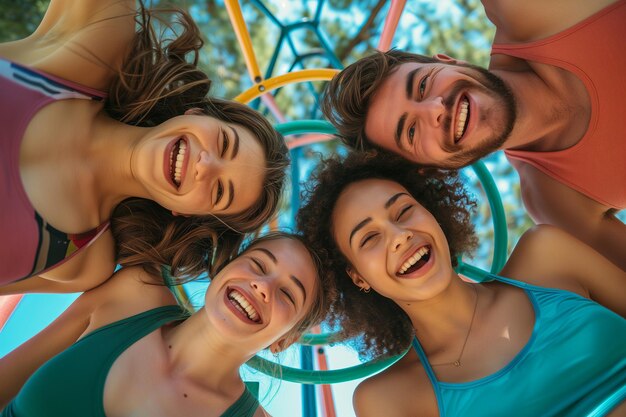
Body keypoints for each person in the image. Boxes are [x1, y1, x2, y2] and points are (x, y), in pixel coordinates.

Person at [297, 152, 626, 417]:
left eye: (404, 211)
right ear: (357, 277)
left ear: (432, 213)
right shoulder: (389, 400)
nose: (400, 237)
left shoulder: (548, 255)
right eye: (369, 237)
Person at [0, 0, 289, 290]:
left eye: (219, 191)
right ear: (198, 113)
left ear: (187, 212)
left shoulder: (83, 263)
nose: (206, 165)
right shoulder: (101, 42)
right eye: (225, 143)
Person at [320, 0, 626, 270]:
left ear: (448, 61)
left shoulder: (527, 10)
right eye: (411, 131)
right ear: (431, 168)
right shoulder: (556, 201)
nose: (434, 110)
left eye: (423, 85)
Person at [0, 232, 336, 416]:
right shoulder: (135, 291)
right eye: (259, 264)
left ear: (283, 341)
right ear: (223, 270)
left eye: (289, 295)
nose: (263, 286)